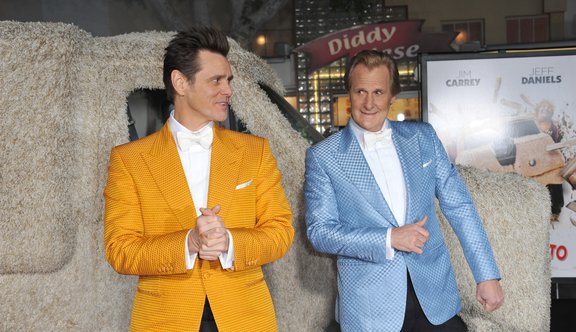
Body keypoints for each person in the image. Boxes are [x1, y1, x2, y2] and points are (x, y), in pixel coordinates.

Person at [103, 26, 294, 332]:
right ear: (180, 82)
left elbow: (281, 232)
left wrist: (229, 241)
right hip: (165, 320)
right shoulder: (130, 160)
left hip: (245, 318)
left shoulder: (255, 151)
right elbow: (120, 250)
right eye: (216, 80)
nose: (227, 90)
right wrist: (188, 243)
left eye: (228, 80)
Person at [304, 50, 503, 332]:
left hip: (435, 299)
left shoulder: (423, 137)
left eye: (378, 92)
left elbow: (459, 206)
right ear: (349, 93)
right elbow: (320, 232)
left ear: (392, 96)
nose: (369, 102)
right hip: (368, 310)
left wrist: (486, 275)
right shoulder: (324, 156)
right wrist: (389, 238)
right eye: (361, 91)